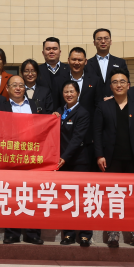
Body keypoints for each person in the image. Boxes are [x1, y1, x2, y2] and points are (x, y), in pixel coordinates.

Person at [93, 68, 134, 248]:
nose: (119, 85)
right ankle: (113, 234)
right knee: (113, 197)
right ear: (110, 86)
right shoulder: (103, 106)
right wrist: (99, 155)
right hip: (112, 160)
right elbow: (97, 132)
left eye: (122, 82)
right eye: (115, 82)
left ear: (128, 85)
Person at [0, 75, 43, 245]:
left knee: (33, 194)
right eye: (14, 85)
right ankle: (12, 233)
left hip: (32, 157)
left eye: (21, 85)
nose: (18, 88)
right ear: (7, 89)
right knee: (12, 194)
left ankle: (32, 233)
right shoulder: (1, 107)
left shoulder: (35, 106)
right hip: (11, 156)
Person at [53, 81, 92, 247]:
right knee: (66, 199)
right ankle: (68, 234)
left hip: (78, 161)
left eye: (72, 91)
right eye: (66, 92)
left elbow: (77, 138)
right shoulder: (59, 111)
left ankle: (85, 235)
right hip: (62, 162)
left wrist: (64, 157)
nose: (69, 94)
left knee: (82, 199)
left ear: (78, 93)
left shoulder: (83, 113)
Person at [84, 28, 130, 97]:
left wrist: (113, 97)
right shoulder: (87, 64)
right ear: (94, 43)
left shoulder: (120, 62)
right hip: (93, 102)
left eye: (106, 38)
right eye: (99, 39)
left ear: (110, 42)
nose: (103, 41)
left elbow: (126, 84)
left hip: (115, 101)